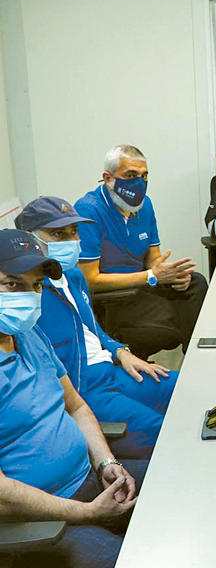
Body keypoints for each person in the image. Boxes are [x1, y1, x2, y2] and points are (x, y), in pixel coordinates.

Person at [0, 229, 145, 568]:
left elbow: (76, 406)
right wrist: (87, 512)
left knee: (181, 487)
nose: (29, 296)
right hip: (41, 520)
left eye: (36, 285)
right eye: (12, 285)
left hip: (91, 481)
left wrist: (107, 463)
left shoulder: (29, 335)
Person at [15, 196, 177, 460]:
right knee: (170, 431)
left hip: (112, 370)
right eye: (58, 234)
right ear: (29, 238)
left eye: (74, 231)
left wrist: (121, 351)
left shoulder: (73, 275)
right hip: (82, 389)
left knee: (187, 388)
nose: (72, 241)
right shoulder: (26, 295)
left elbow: (90, 328)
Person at [74, 144, 207, 359]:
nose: (139, 183)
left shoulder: (144, 205)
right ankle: (190, 354)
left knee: (195, 283)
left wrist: (169, 274)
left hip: (141, 285)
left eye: (144, 176)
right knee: (174, 323)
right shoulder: (88, 210)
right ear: (107, 178)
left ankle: (196, 356)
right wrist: (151, 276)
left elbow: (153, 258)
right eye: (131, 175)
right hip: (113, 297)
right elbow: (89, 280)